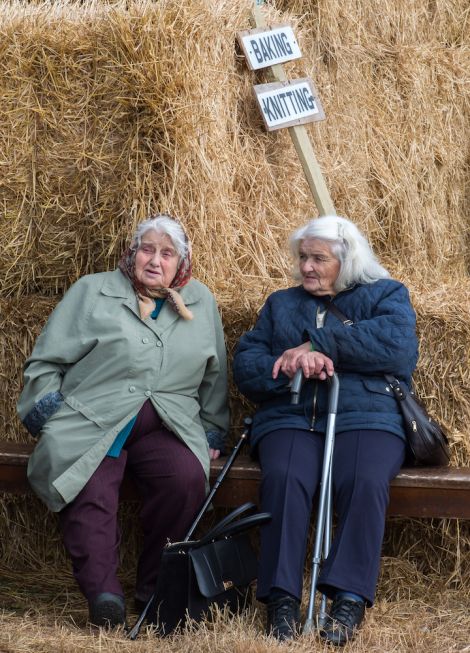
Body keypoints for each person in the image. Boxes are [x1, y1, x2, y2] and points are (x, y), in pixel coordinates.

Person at [17, 214, 229, 628]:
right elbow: (44, 364)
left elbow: (214, 376)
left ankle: (155, 593)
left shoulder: (200, 301)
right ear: (132, 253)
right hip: (94, 417)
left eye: (167, 253)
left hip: (167, 424)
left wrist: (211, 429)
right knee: (89, 481)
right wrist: (53, 415)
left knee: (184, 479)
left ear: (181, 262)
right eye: (147, 249)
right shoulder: (92, 291)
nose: (155, 261)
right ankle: (105, 597)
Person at [232, 215, 418, 645]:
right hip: (292, 415)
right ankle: (280, 598)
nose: (307, 268)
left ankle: (348, 597)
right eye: (303, 258)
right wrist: (289, 363)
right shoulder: (281, 304)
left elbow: (397, 347)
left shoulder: (386, 294)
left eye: (318, 258)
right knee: (285, 477)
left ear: (347, 260)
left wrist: (320, 345)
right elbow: (247, 365)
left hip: (367, 416)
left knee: (365, 480)